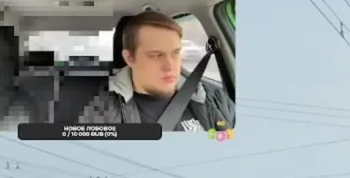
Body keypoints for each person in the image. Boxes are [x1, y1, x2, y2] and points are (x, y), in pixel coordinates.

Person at [78, 10, 234, 133]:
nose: (170, 66)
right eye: (156, 55)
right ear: (130, 58)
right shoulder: (98, 110)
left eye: (176, 53)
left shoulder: (212, 98)